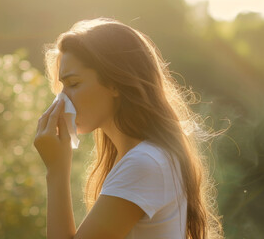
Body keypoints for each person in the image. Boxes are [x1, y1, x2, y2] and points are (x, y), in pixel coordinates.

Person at [34, 17, 225, 239]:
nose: (61, 101)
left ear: (115, 82)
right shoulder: (143, 158)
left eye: (74, 84)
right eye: (61, 87)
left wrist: (56, 171)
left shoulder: (143, 164)